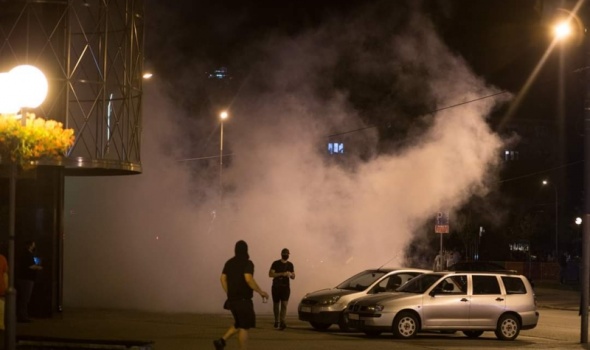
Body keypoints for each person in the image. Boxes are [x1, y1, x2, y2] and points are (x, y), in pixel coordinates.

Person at [214, 240, 268, 350]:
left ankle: (221, 341)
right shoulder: (248, 263)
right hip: (243, 300)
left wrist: (229, 292)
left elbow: (222, 279)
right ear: (246, 250)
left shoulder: (229, 263)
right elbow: (248, 278)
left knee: (239, 323)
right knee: (244, 327)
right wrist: (260, 292)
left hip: (232, 300)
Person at [268, 248, 295, 330]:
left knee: (284, 304)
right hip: (276, 287)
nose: (286, 255)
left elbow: (294, 276)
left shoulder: (290, 265)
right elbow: (270, 274)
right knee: (276, 305)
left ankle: (282, 321)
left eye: (287, 254)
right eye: (285, 254)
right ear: (282, 254)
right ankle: (276, 320)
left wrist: (290, 274)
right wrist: (282, 274)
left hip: (285, 287)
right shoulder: (275, 263)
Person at [16, 240, 42, 323]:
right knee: (25, 298)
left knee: (24, 298)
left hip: (26, 279)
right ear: (31, 245)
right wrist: (38, 267)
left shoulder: (26, 254)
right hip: (27, 279)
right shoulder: (27, 255)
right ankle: (23, 316)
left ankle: (23, 315)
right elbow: (29, 266)